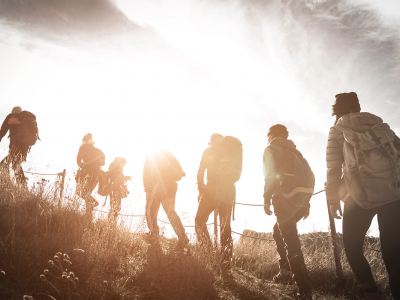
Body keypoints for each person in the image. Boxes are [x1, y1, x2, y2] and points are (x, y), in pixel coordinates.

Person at [326, 92, 400, 300]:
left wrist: (333, 199)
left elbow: (333, 169)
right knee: (393, 254)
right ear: (358, 107)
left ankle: (370, 291)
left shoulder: (337, 129)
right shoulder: (379, 124)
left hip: (358, 198)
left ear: (336, 109)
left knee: (351, 246)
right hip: (393, 194)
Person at [263, 124, 314, 300]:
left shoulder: (271, 148)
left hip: (283, 199)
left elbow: (271, 174)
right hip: (300, 200)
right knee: (278, 232)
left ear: (270, 135)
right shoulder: (295, 151)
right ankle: (285, 272)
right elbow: (308, 176)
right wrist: (307, 204)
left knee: (291, 242)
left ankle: (304, 288)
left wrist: (266, 198)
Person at [195, 134, 242, 270]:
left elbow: (200, 172)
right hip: (228, 192)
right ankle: (226, 262)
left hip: (210, 191)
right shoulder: (231, 152)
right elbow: (236, 175)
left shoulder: (208, 151)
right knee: (225, 227)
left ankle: (208, 251)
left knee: (199, 221)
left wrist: (201, 190)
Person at [143, 150, 189, 251]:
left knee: (150, 211)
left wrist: (147, 189)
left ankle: (154, 236)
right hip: (172, 186)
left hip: (159, 185)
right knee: (170, 211)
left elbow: (146, 172)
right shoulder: (168, 153)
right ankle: (182, 237)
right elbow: (179, 170)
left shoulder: (151, 153)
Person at [76, 133, 105, 217]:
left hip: (87, 172)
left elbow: (78, 160)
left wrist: (82, 164)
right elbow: (103, 163)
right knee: (87, 193)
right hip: (97, 174)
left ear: (84, 140)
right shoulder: (97, 150)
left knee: (79, 192)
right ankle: (88, 216)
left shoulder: (83, 147)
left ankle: (94, 202)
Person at [0, 106, 29, 186]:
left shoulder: (11, 117)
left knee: (4, 165)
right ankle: (22, 187)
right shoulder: (25, 121)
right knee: (16, 166)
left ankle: (8, 184)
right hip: (25, 148)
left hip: (15, 146)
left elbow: (2, 131)